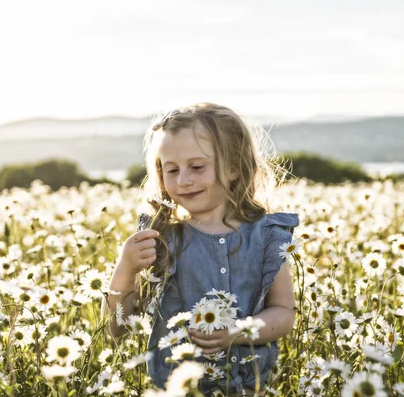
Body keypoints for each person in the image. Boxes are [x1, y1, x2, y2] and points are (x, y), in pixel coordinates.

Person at [105, 102, 299, 396]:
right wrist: (125, 269)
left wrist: (237, 333)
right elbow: (118, 327)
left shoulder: (265, 236)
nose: (183, 180)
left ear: (233, 167)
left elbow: (284, 313)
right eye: (171, 170)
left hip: (249, 388)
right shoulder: (162, 238)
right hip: (175, 388)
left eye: (197, 167)